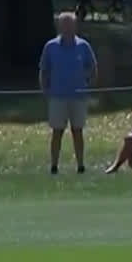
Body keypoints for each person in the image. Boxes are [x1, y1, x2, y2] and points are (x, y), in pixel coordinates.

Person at [39, 12, 96, 174]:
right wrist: (45, 89)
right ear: (59, 26)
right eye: (64, 25)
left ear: (75, 26)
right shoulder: (50, 46)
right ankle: (54, 166)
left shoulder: (83, 46)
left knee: (77, 131)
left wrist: (88, 86)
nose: (67, 28)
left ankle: (80, 165)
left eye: (70, 25)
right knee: (57, 132)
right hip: (57, 96)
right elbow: (44, 69)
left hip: (78, 97)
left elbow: (92, 67)